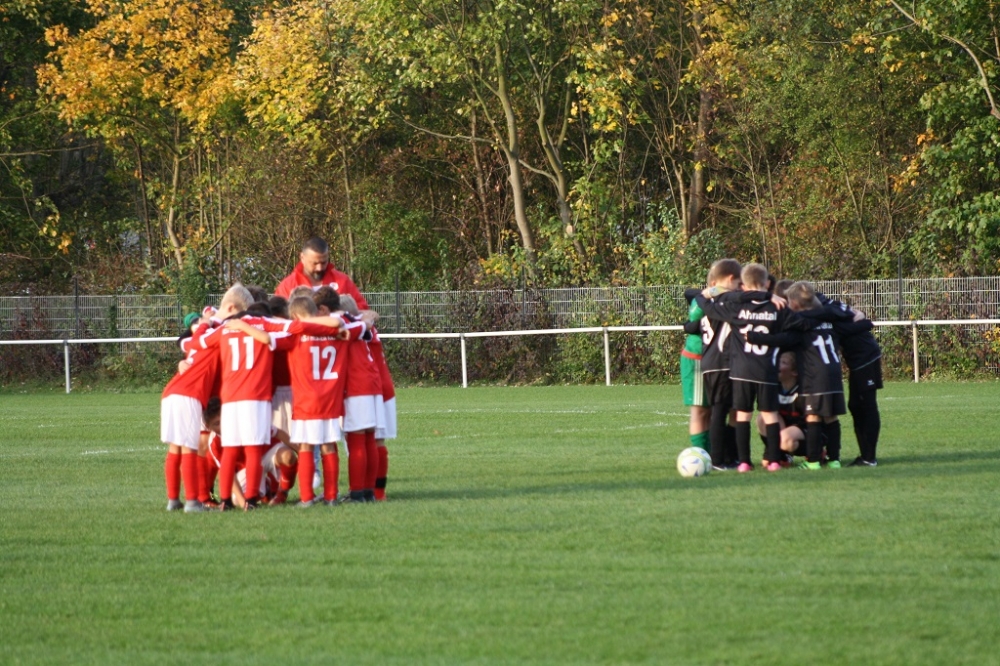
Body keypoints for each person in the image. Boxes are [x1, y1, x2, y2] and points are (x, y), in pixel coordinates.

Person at [160, 306, 266, 513]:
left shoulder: (198, 341)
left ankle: (173, 500)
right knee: (189, 449)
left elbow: (189, 339)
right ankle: (193, 502)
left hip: (171, 391)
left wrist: (206, 322)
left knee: (175, 449)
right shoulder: (218, 341)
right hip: (189, 394)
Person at [695, 263, 791, 472]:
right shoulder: (760, 305)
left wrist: (704, 295)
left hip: (732, 367)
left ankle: (739, 459)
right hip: (745, 366)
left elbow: (701, 311)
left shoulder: (730, 305)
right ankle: (727, 460)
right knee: (750, 413)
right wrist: (768, 296)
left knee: (738, 413)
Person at [684, 259, 742, 469]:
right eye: (738, 283)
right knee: (702, 410)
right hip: (698, 358)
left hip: (723, 359)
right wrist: (710, 293)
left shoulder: (723, 299)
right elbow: (692, 323)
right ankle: (701, 456)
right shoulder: (705, 300)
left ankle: (725, 455)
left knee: (726, 408)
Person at [274, 236, 369, 308]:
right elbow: (278, 317)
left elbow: (362, 308)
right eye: (314, 263)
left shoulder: (342, 281)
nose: (319, 268)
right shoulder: (288, 286)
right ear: (302, 257)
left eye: (323, 262)